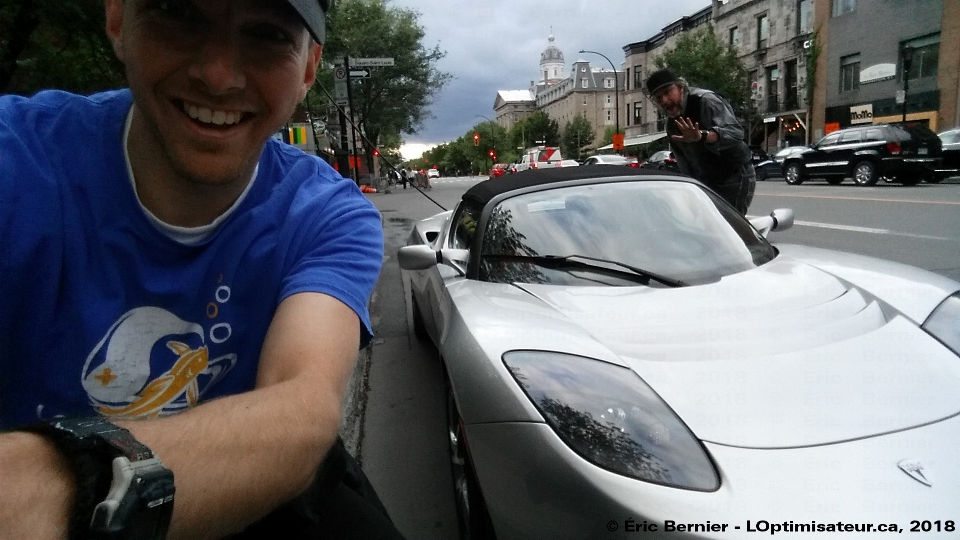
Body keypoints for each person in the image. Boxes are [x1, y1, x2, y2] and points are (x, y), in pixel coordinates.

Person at [0, 1, 405, 539]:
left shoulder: (326, 215)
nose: (219, 75)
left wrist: (63, 486)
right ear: (118, 21)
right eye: (181, 16)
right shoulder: (16, 163)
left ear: (309, 69)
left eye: (265, 35)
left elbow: (302, 408)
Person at [644, 68, 756, 214]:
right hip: (707, 181)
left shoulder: (705, 100)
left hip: (734, 175)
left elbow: (736, 133)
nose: (664, 101)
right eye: (658, 98)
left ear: (680, 87)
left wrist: (702, 136)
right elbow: (684, 164)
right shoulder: (671, 125)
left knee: (728, 227)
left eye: (667, 92)